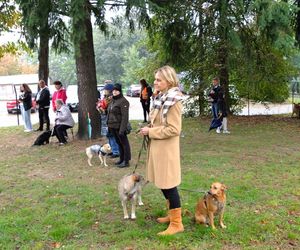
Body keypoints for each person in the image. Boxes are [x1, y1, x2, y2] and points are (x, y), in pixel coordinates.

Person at [140, 65, 184, 236]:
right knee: (162, 183)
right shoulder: (162, 97)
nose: (155, 82)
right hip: (158, 147)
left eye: (159, 79)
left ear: (169, 81)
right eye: (155, 79)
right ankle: (171, 213)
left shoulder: (173, 100)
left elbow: (174, 129)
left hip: (166, 149)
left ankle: (177, 222)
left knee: (169, 185)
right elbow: (159, 122)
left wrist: (151, 131)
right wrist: (149, 127)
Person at [107, 83, 131, 168]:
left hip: (120, 127)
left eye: (116, 90)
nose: (114, 92)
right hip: (113, 126)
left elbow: (125, 117)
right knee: (119, 143)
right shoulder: (113, 100)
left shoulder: (124, 101)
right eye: (113, 90)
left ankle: (126, 161)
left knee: (124, 144)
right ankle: (121, 159)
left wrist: (122, 129)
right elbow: (109, 113)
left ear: (120, 91)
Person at [96, 83, 120, 158]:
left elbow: (108, 109)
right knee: (109, 136)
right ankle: (113, 150)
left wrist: (101, 108)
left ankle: (116, 151)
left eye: (105, 90)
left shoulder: (112, 98)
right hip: (106, 119)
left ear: (109, 90)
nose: (104, 91)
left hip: (110, 119)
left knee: (112, 136)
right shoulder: (106, 97)